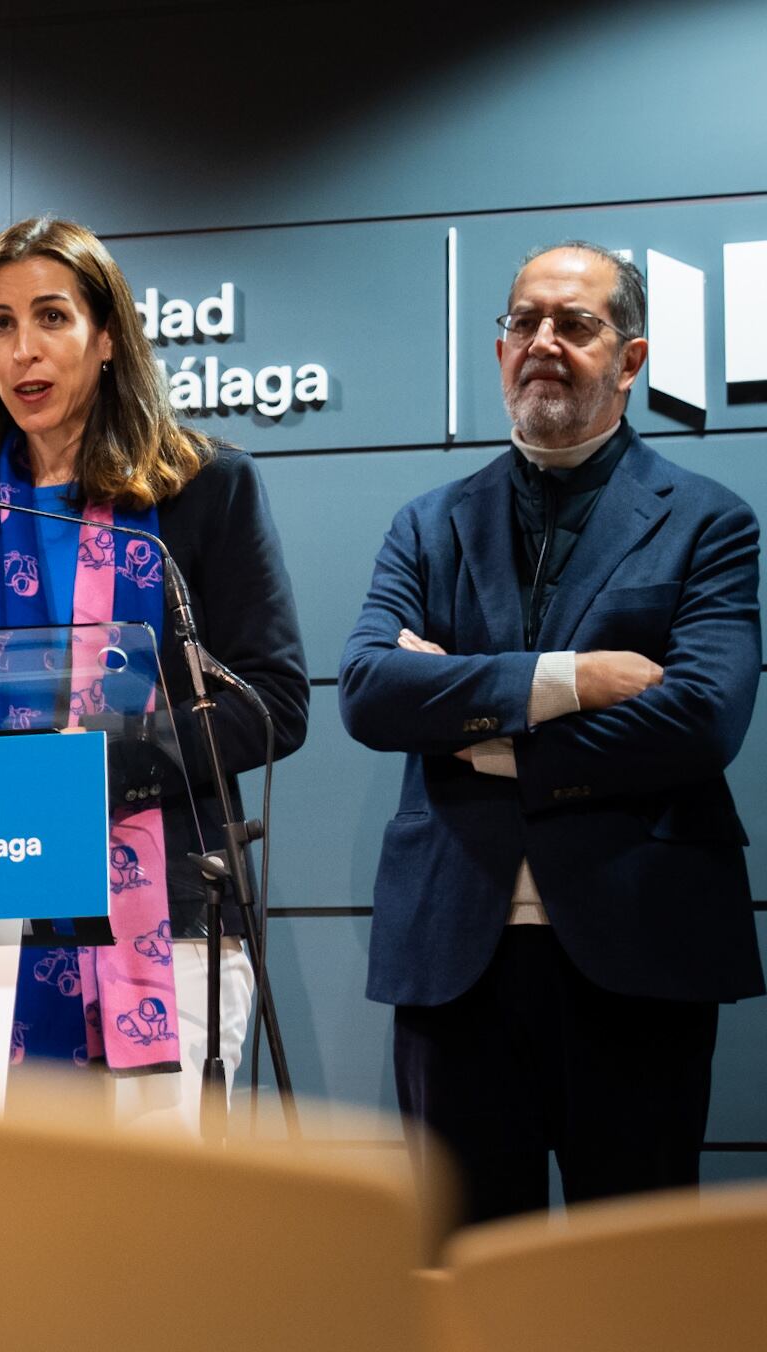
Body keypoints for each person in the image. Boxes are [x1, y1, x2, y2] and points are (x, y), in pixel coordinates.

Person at [338, 242, 763, 1224]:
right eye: (522, 323)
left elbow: (700, 718)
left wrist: (470, 726)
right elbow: (367, 691)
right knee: (466, 1271)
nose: (541, 343)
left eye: (572, 325)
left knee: (632, 1278)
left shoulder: (708, 523)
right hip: (454, 957)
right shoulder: (425, 526)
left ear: (629, 358)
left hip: (636, 947)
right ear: (496, 355)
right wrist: (572, 681)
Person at [0, 216, 309, 1130]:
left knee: (158, 1251)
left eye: (51, 316)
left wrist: (104, 766)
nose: (23, 349)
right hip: (1, 927)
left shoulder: (204, 487)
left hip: (169, 920)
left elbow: (273, 702)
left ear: (106, 337)